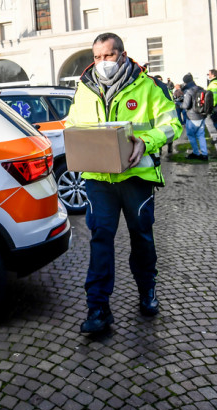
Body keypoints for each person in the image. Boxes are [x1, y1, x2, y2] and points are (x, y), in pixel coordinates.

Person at [64, 33, 183, 335]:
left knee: (141, 237)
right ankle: (98, 308)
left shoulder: (149, 87)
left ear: (122, 54)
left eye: (108, 56)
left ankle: (147, 291)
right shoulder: (84, 89)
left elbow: (173, 124)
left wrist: (145, 141)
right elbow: (71, 124)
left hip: (136, 178)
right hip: (98, 179)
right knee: (100, 240)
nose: (102, 63)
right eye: (97, 57)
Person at [180, 74, 209, 161]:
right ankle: (204, 154)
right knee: (201, 135)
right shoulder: (200, 89)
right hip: (201, 115)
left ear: (185, 82)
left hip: (192, 117)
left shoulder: (189, 91)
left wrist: (178, 104)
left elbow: (186, 105)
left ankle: (196, 153)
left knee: (191, 135)